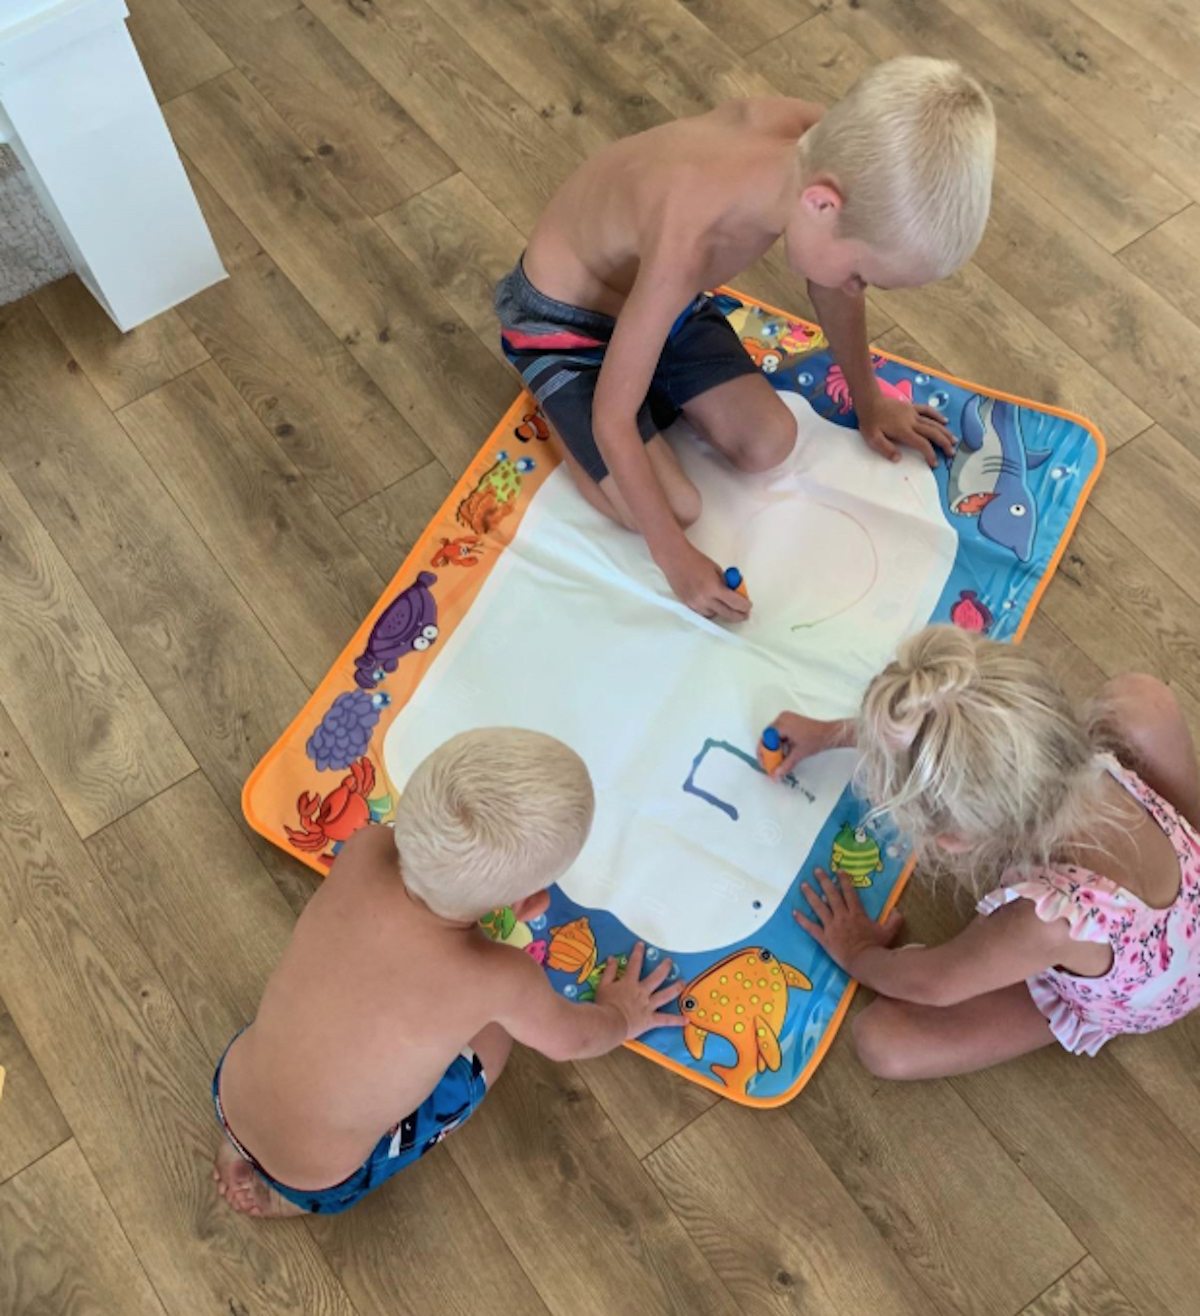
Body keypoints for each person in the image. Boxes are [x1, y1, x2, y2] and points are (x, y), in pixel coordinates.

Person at [495, 57, 995, 622]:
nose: (857, 289)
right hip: (564, 327)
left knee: (770, 440)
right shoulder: (690, 236)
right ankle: (548, 386)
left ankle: (644, 369)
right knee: (672, 509)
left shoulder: (823, 146)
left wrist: (870, 400)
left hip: (660, 304)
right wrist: (674, 560)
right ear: (822, 204)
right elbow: (613, 418)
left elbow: (832, 287)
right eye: (862, 274)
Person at [212, 728, 683, 1216]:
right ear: (529, 904)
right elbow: (572, 1042)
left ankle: (237, 1146)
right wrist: (622, 1016)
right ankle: (286, 1200)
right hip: (318, 1175)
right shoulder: (499, 977)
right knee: (495, 1039)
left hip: (232, 1091)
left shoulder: (365, 847)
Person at [768, 626, 1200, 1079]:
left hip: (1139, 994)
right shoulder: (1066, 750)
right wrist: (832, 734)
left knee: (882, 1042)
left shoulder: (1045, 921)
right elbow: (955, 737)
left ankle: (1080, 1004)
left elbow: (932, 983)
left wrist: (858, 951)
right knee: (1142, 700)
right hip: (1176, 904)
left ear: (953, 839)